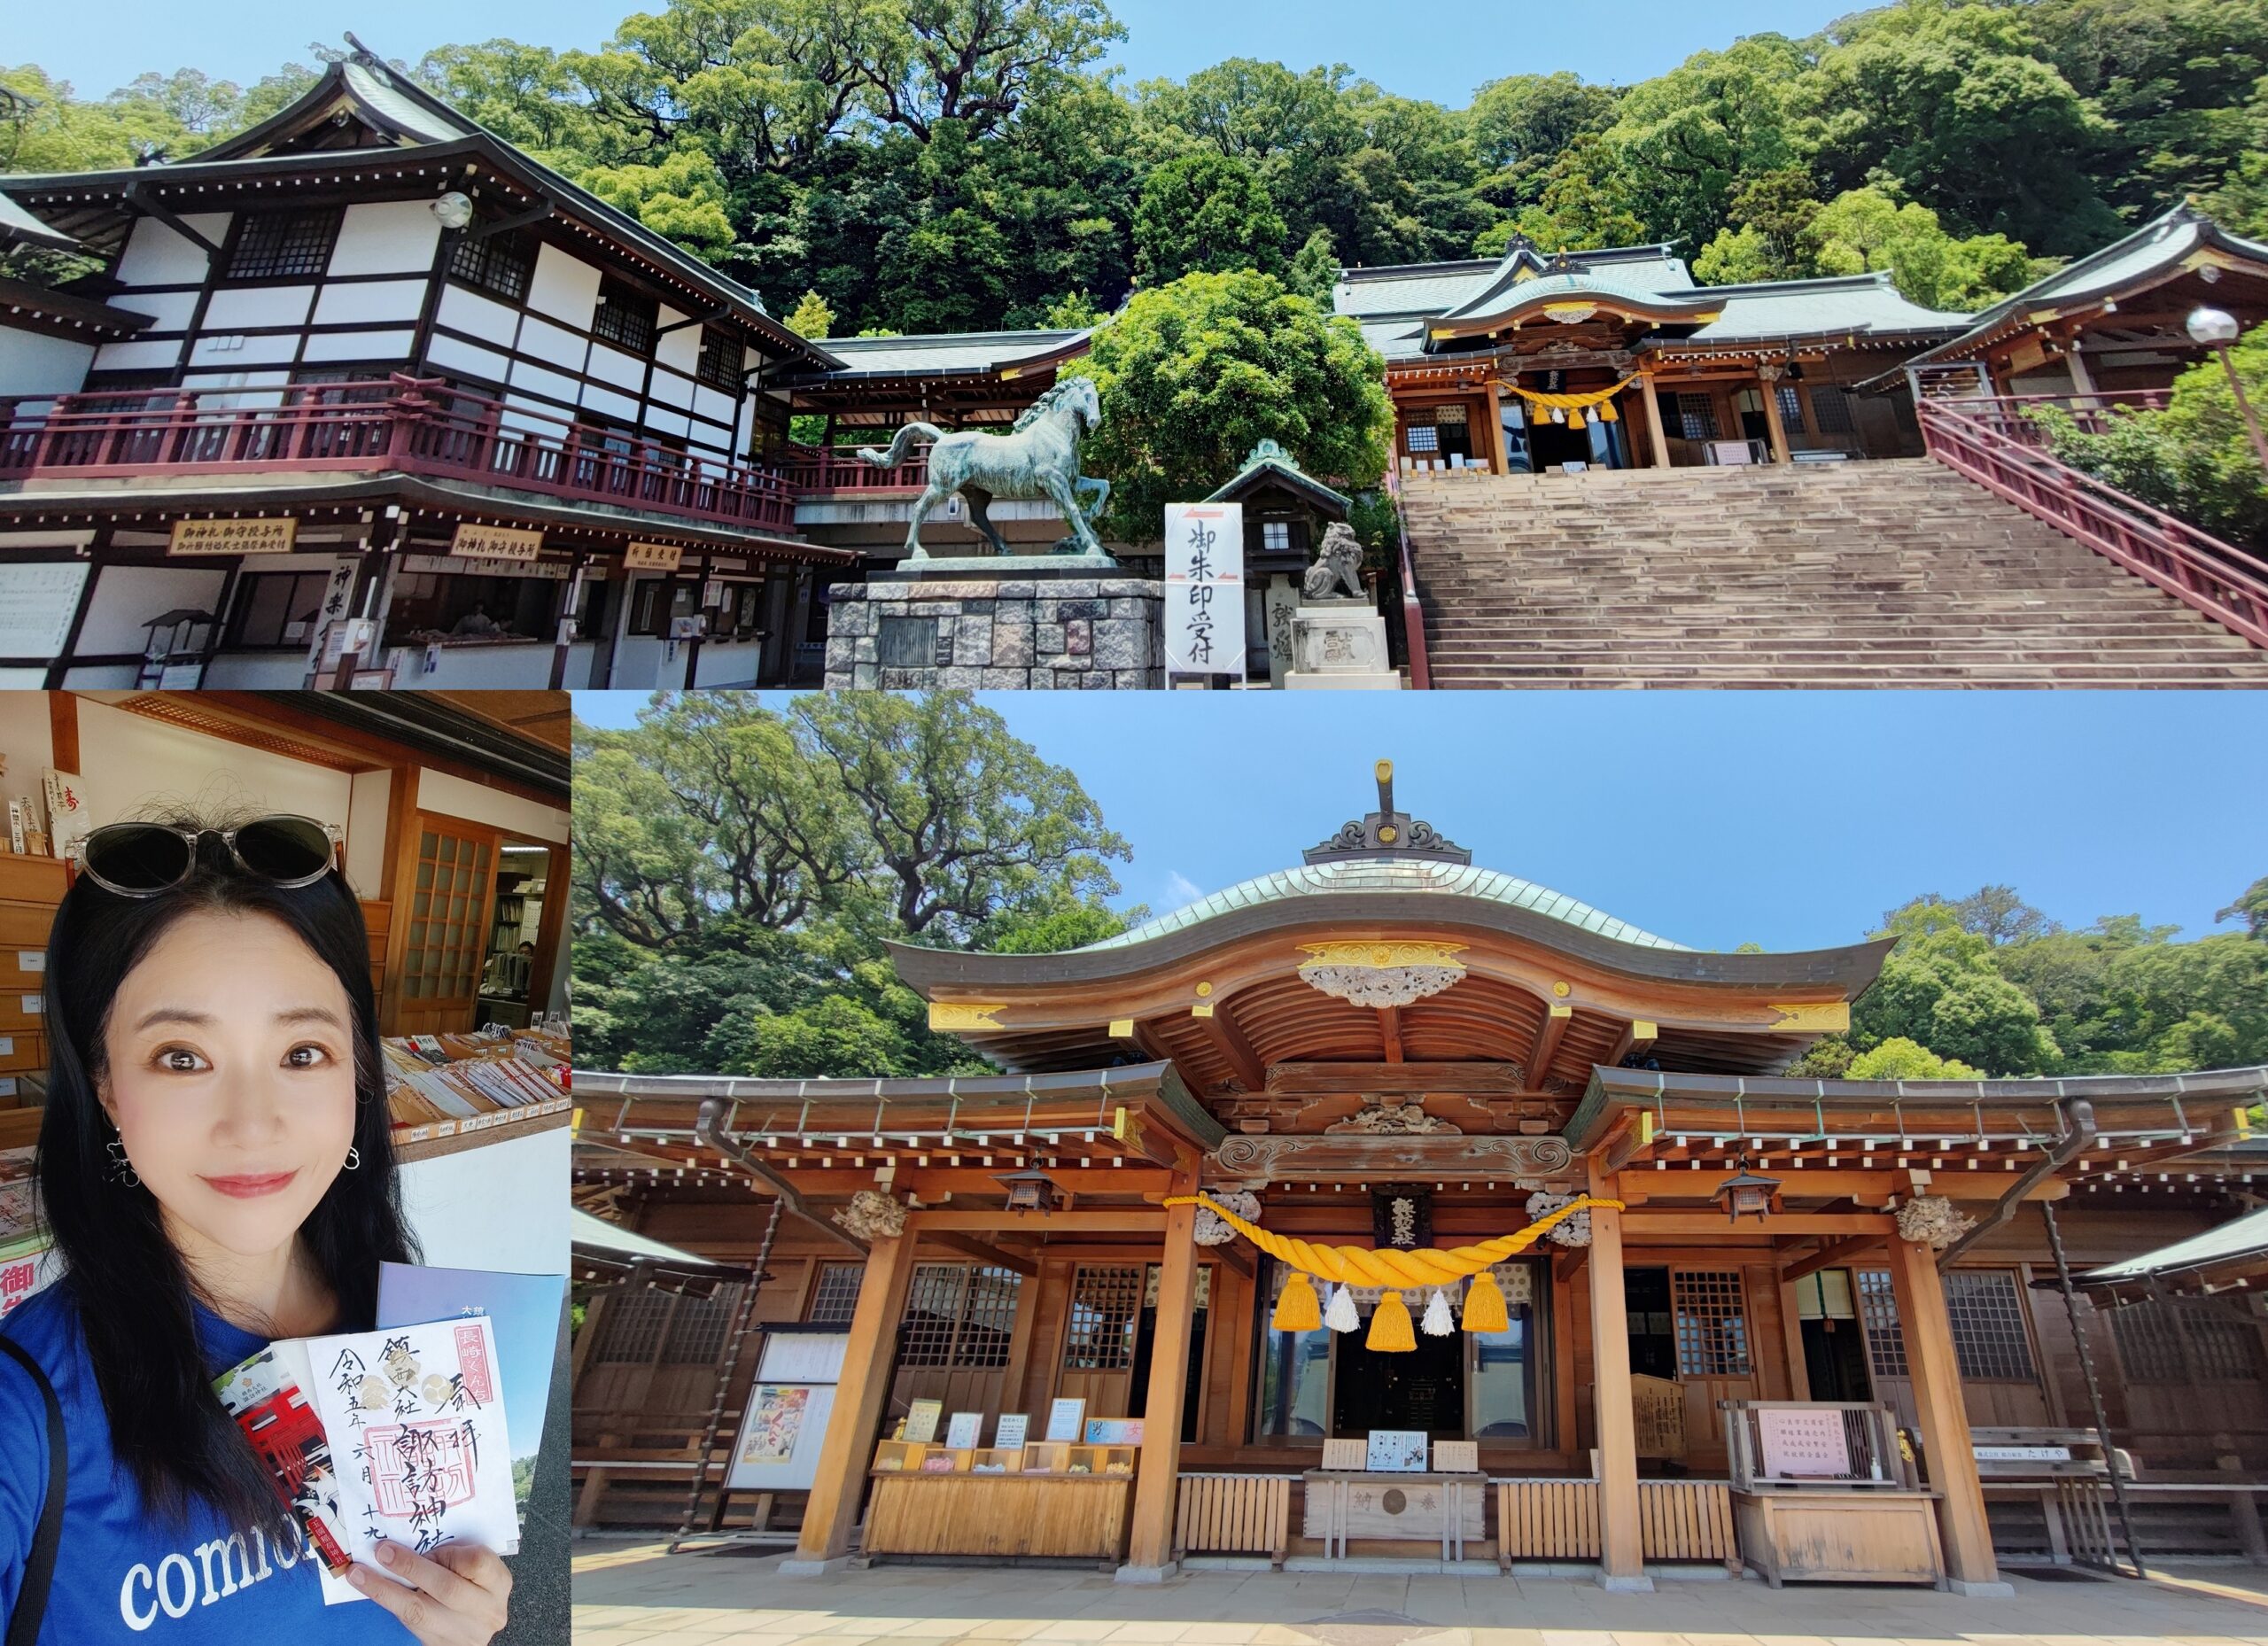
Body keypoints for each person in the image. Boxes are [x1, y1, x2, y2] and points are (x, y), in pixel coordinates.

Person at [0, 815, 514, 1644]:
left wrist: (471, 1621)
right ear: (103, 1086)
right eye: (181, 1057)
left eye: (302, 1052)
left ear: (359, 1071)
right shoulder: (24, 1408)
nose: (252, 1126)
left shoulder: (415, 1332)